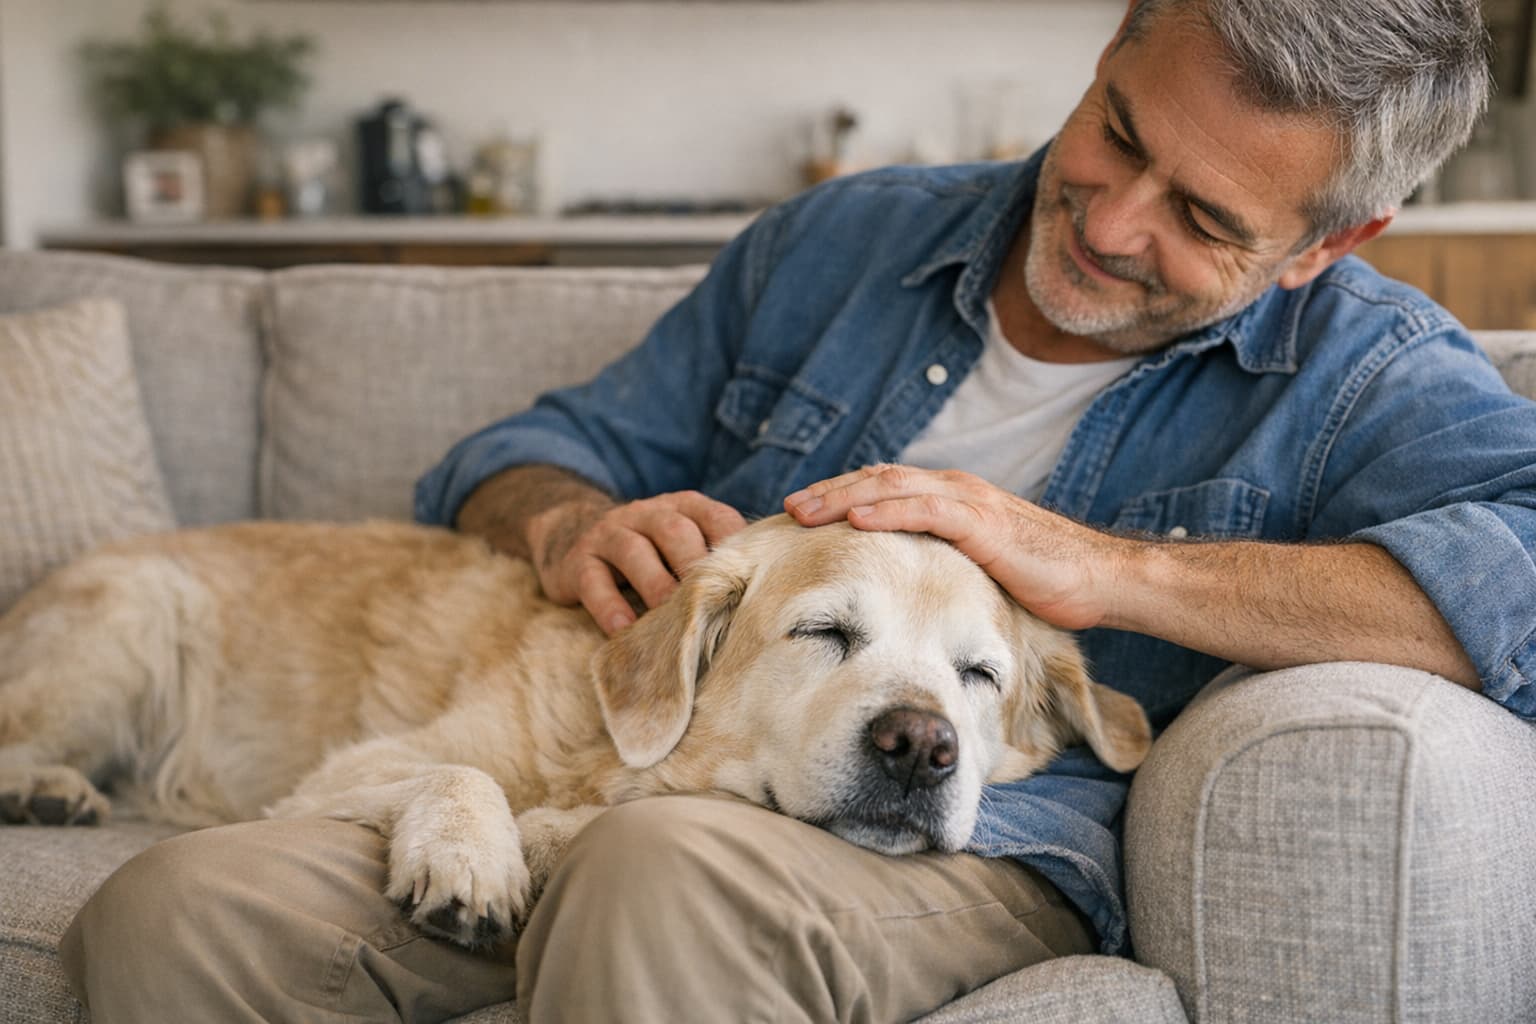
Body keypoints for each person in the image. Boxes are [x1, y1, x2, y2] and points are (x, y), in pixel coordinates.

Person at [63, 0, 1535, 1021]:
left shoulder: (1359, 375)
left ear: (1326, 241)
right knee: (177, 910)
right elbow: (530, 450)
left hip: (995, 847)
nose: (1111, 217)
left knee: (655, 876)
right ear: (1102, 58)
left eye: (1205, 219)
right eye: (1117, 132)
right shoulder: (849, 238)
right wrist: (572, 522)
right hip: (645, 777)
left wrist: (1111, 570)